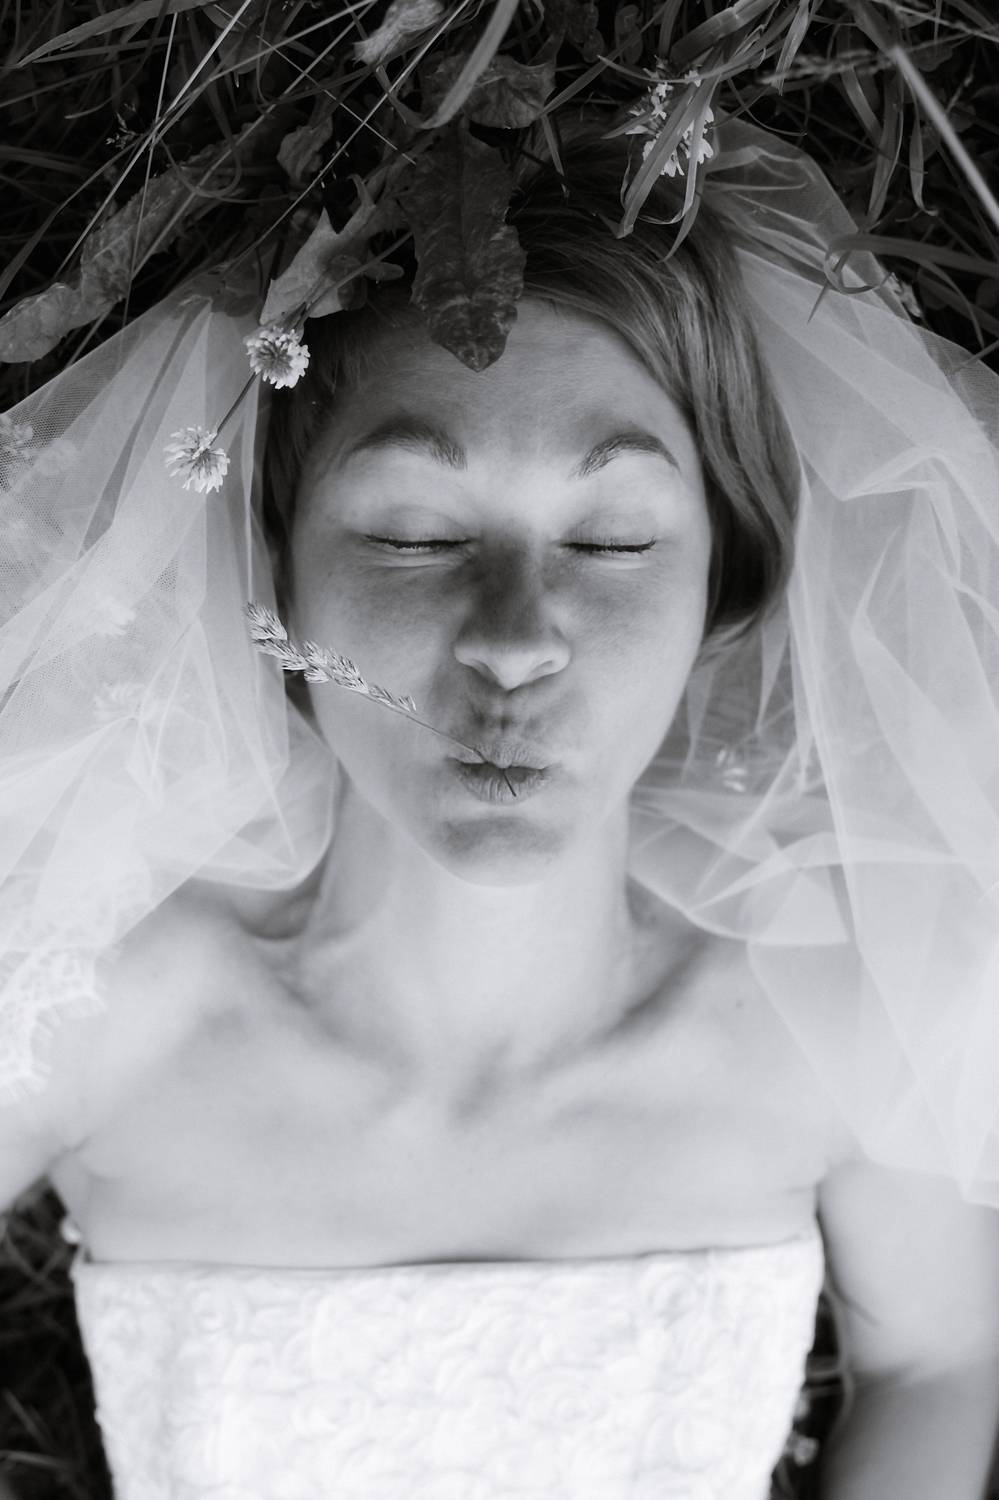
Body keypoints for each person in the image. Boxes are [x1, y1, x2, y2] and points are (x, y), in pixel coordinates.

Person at [2, 110, 999, 1499]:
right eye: (414, 534)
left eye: (613, 539)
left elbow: (940, 1361)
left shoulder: (838, 1021)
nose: (517, 640)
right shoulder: (90, 1018)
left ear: (722, 584)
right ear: (272, 573)